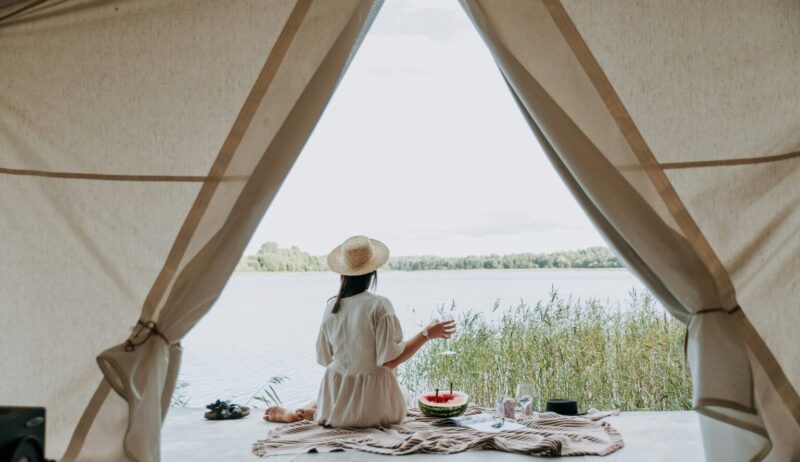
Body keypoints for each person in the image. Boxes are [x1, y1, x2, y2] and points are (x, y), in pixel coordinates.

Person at [264, 235, 455, 427]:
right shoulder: (379, 306)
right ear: (373, 271)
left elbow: (325, 359)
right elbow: (391, 360)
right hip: (375, 411)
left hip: (335, 408)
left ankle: (309, 412)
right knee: (402, 391)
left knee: (340, 380)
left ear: (342, 273)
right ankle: (313, 411)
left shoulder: (331, 308)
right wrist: (427, 334)